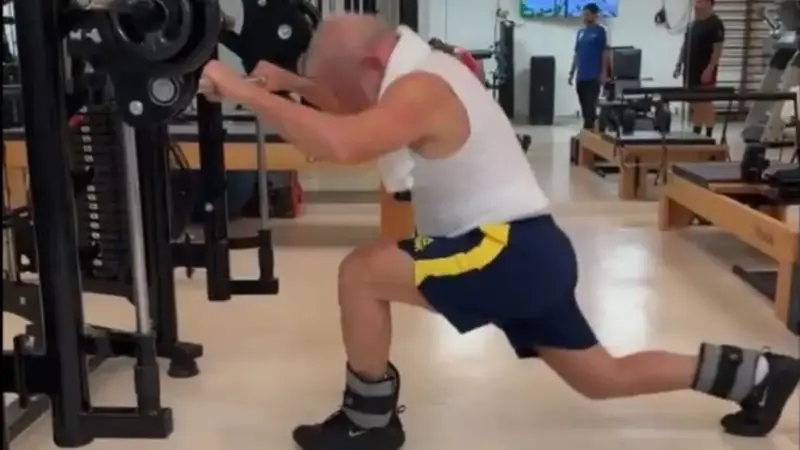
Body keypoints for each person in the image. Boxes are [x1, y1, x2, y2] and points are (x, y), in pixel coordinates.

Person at [200, 14, 800, 450]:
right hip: (533, 250)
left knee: (362, 272)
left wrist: (243, 91)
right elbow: (353, 111)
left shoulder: (420, 88)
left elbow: (344, 139)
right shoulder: (423, 70)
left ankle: (368, 422)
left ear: (372, 66)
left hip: (501, 250)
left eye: (342, 85)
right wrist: (295, 87)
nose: (340, 99)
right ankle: (758, 375)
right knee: (601, 378)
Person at [673, 0, 725, 137]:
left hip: (705, 71)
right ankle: (696, 133)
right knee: (695, 104)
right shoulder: (692, 24)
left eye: (700, 1)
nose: (696, 5)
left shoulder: (715, 24)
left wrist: (710, 69)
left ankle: (708, 134)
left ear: (709, 3)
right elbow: (685, 45)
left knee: (705, 103)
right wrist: (679, 64)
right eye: (696, 2)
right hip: (691, 71)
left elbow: (717, 50)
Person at [568, 3, 611, 130]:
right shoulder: (581, 33)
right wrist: (572, 72)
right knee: (584, 108)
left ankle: (590, 132)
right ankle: (588, 130)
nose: (585, 17)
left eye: (587, 14)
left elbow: (604, 53)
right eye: (583, 14)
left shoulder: (600, 31)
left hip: (593, 76)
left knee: (590, 108)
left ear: (594, 15)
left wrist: (604, 73)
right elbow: (577, 54)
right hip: (581, 77)